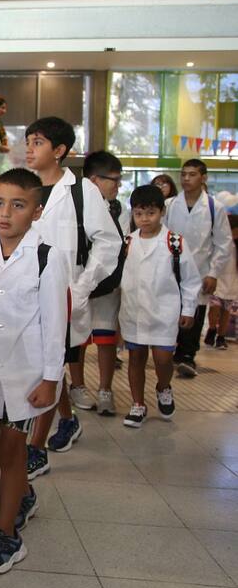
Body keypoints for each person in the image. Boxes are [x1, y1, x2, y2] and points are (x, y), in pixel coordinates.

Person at [0, 168, 70, 574]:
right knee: (4, 446)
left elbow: (55, 323)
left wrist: (50, 380)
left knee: (10, 451)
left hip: (28, 374)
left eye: (18, 204)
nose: (5, 213)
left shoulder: (47, 258)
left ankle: (7, 534)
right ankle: (23, 496)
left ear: (37, 211)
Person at [23, 118, 121, 479]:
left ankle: (36, 448)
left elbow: (108, 243)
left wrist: (81, 288)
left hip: (65, 296)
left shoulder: (82, 191)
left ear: (60, 151)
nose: (29, 148)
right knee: (48, 365)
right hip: (26, 293)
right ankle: (67, 418)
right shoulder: (24, 187)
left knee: (49, 362)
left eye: (37, 142)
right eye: (28, 141)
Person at [120, 185, 201, 427]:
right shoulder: (128, 242)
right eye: (139, 214)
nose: (145, 219)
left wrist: (188, 309)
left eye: (151, 213)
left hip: (164, 312)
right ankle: (138, 404)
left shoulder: (174, 242)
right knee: (135, 358)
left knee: (163, 359)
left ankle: (163, 387)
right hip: (133, 311)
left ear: (162, 212)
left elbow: (190, 278)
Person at [68, 151, 128, 416]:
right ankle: (77, 385)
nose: (117, 185)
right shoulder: (74, 202)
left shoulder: (120, 209)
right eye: (112, 179)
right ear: (94, 180)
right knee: (76, 336)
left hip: (106, 285)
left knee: (106, 337)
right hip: (80, 279)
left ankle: (105, 389)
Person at [163, 159, 233, 378]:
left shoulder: (214, 207)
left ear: (203, 178)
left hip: (201, 270)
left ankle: (187, 356)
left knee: (195, 311)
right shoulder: (170, 205)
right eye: (183, 174)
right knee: (171, 311)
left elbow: (223, 243)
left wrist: (213, 273)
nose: (186, 179)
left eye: (192, 174)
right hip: (171, 269)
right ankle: (171, 352)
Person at [204, 214, 238, 349]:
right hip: (217, 281)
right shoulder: (218, 243)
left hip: (232, 284)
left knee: (226, 311)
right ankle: (212, 330)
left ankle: (221, 337)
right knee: (214, 309)